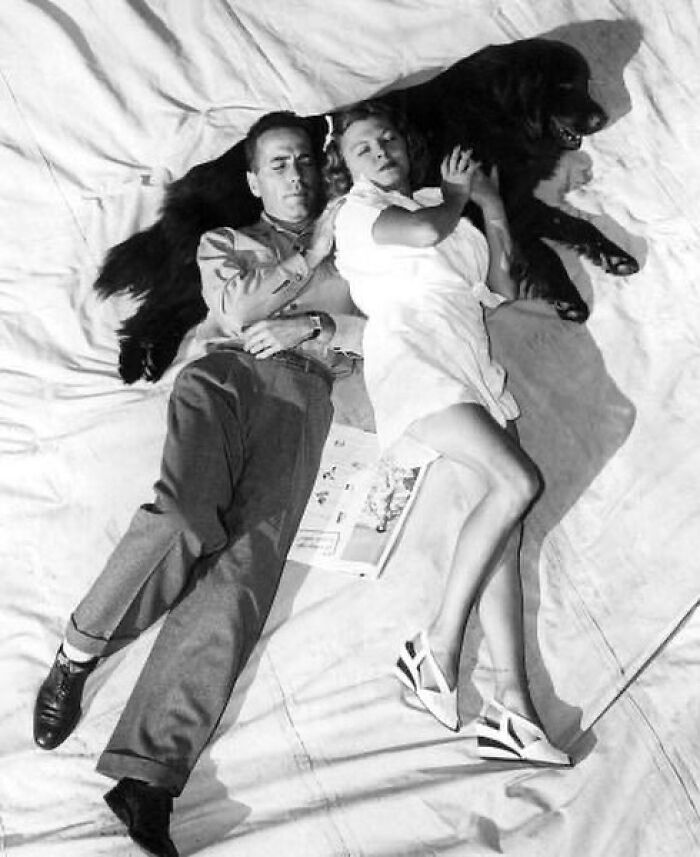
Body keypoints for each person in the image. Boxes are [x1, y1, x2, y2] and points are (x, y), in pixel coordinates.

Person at [32, 111, 363, 857]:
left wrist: (318, 328)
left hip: (304, 398)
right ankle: (78, 653)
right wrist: (311, 253)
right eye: (278, 164)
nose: (296, 175)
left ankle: (145, 777)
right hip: (226, 377)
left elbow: (384, 328)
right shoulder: (228, 242)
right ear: (254, 180)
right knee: (185, 518)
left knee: (241, 579)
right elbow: (238, 309)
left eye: (304, 161)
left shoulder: (360, 249)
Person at [323, 100, 571, 767]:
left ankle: (513, 707)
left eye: (387, 138)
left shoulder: (445, 207)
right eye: (362, 147)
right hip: (414, 357)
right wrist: (458, 196)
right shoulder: (359, 214)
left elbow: (500, 284)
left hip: (471, 366)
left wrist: (487, 202)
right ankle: (435, 644)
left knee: (501, 541)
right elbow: (420, 232)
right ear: (346, 167)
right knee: (517, 483)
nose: (380, 151)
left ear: (406, 145)